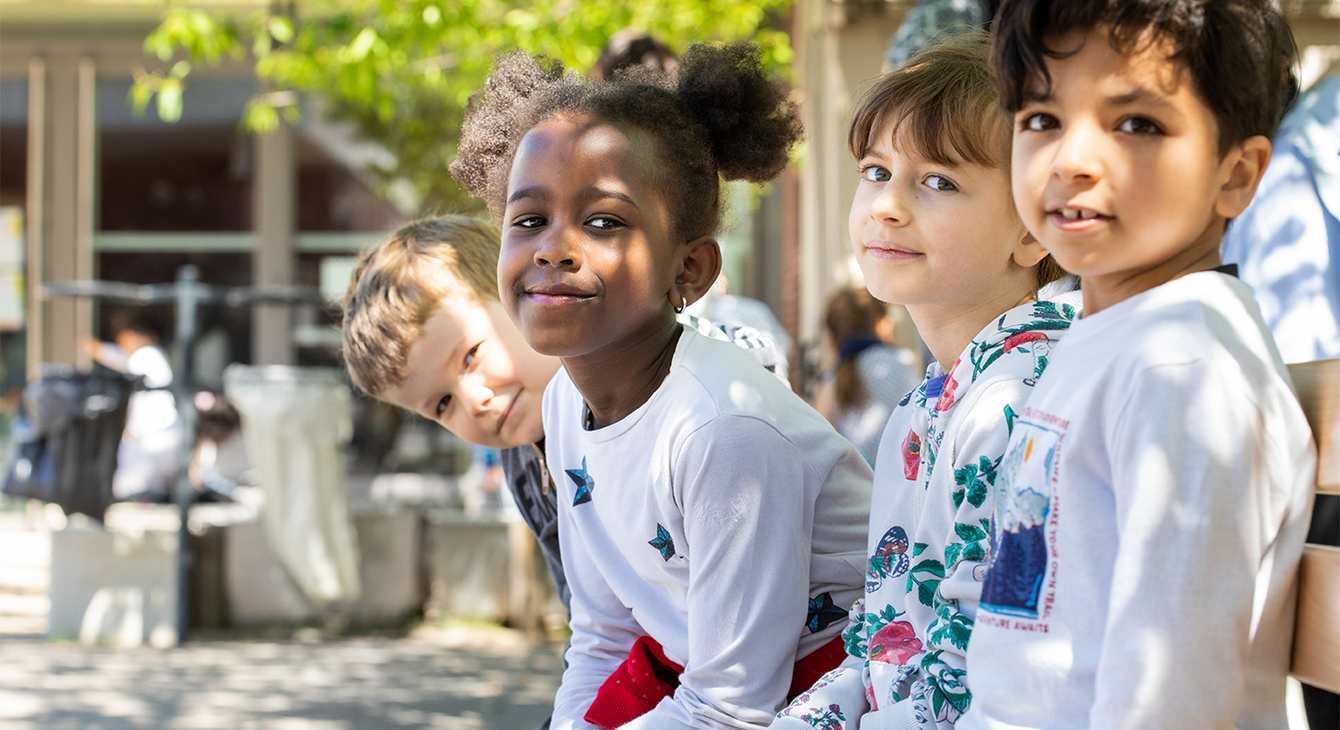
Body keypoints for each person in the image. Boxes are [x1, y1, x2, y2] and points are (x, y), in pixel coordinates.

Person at [450, 43, 873, 729]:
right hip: (691, 671)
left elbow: (734, 710)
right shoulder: (563, 402)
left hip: (830, 684)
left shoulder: (721, 429)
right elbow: (602, 636)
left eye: (604, 222)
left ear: (692, 269)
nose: (554, 247)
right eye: (529, 220)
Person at [958, 2, 1316, 728]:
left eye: (1137, 124)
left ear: (1236, 175)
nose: (1072, 159)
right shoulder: (1110, 332)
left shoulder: (1183, 369)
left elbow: (1168, 691)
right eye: (1041, 119)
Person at [775, 36, 1075, 730]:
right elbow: (880, 641)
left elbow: (985, 685)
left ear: (1034, 230)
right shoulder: (924, 408)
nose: (886, 205)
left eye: (937, 181)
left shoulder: (1023, 401)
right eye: (875, 171)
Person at [342, 215, 787, 622]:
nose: (473, 400)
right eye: (442, 404)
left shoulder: (647, 383)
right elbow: (590, 616)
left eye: (471, 356)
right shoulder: (525, 463)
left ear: (521, 292)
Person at [812, 287, 920, 464]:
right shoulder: (906, 362)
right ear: (883, 325)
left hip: (862, 485)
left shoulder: (833, 382)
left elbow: (818, 449)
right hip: (908, 480)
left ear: (832, 340)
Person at [79, 313, 181, 501]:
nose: (122, 345)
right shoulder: (153, 355)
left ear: (132, 335)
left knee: (127, 491)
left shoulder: (145, 355)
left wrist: (131, 427)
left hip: (152, 436)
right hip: (164, 434)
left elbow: (137, 397)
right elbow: (120, 360)